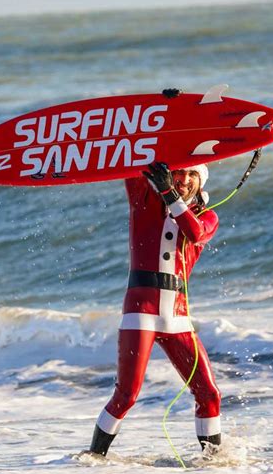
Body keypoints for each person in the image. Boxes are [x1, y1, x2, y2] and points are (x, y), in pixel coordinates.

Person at [89, 161, 221, 456]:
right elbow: (133, 158)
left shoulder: (207, 217)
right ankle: (93, 459)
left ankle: (213, 466)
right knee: (126, 396)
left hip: (178, 317)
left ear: (201, 181)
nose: (184, 180)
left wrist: (169, 192)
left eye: (192, 175)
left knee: (209, 394)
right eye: (179, 172)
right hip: (140, 313)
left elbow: (195, 232)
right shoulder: (143, 199)